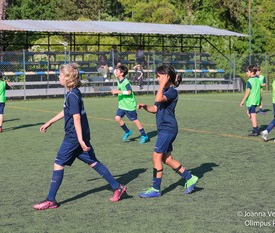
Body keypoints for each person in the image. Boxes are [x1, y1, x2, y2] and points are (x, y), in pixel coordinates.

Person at [34, 63, 126, 210]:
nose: (58, 76)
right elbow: (67, 112)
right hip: (78, 136)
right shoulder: (73, 92)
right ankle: (117, 186)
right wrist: (49, 122)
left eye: (60, 74)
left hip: (73, 137)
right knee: (93, 162)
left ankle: (51, 200)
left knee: (58, 163)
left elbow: (76, 118)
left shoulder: (72, 95)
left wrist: (80, 140)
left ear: (66, 78)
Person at [137, 65, 198, 198]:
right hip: (165, 129)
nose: (157, 79)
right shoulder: (164, 90)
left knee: (156, 157)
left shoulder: (171, 91)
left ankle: (155, 189)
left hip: (168, 129)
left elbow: (158, 99)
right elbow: (155, 108)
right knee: (166, 158)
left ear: (166, 77)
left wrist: (162, 84)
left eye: (159, 76)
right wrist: (145, 106)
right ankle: (190, 177)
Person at [110, 65, 149, 144]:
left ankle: (144, 135)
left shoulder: (126, 82)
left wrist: (118, 91)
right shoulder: (118, 79)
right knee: (117, 118)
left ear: (122, 73)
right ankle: (127, 131)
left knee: (135, 121)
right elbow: (115, 72)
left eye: (117, 71)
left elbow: (129, 92)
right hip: (122, 105)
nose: (115, 72)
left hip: (129, 105)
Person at [240, 65, 261, 136]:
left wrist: (243, 101)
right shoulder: (257, 80)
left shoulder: (249, 81)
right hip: (256, 100)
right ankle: (255, 127)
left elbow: (247, 92)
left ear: (252, 72)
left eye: (248, 71)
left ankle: (255, 130)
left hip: (251, 100)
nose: (246, 73)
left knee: (253, 115)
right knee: (249, 113)